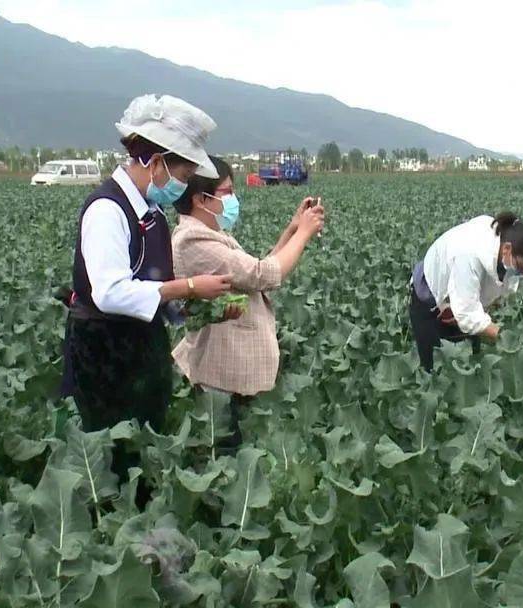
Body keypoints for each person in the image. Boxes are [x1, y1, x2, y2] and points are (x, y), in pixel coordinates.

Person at [61, 94, 234, 455]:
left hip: (143, 347)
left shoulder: (151, 210)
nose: (183, 185)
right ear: (156, 163)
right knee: (116, 454)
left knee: (148, 442)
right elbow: (109, 292)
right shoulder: (107, 209)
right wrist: (188, 286)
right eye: (183, 174)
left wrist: (193, 307)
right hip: (105, 353)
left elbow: (153, 283)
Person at [171, 156, 325, 447]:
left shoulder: (213, 234)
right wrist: (304, 233)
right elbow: (262, 275)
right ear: (200, 199)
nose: (233, 199)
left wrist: (292, 229)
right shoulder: (193, 241)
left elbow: (256, 271)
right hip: (222, 374)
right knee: (228, 457)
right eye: (226, 192)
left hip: (235, 370)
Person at [410, 213, 523, 371]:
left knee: (471, 368)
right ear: (507, 249)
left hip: (458, 303)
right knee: (435, 370)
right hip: (429, 300)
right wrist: (508, 340)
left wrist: (475, 309)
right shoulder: (468, 253)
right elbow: (467, 315)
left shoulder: (506, 251)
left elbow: (498, 289)